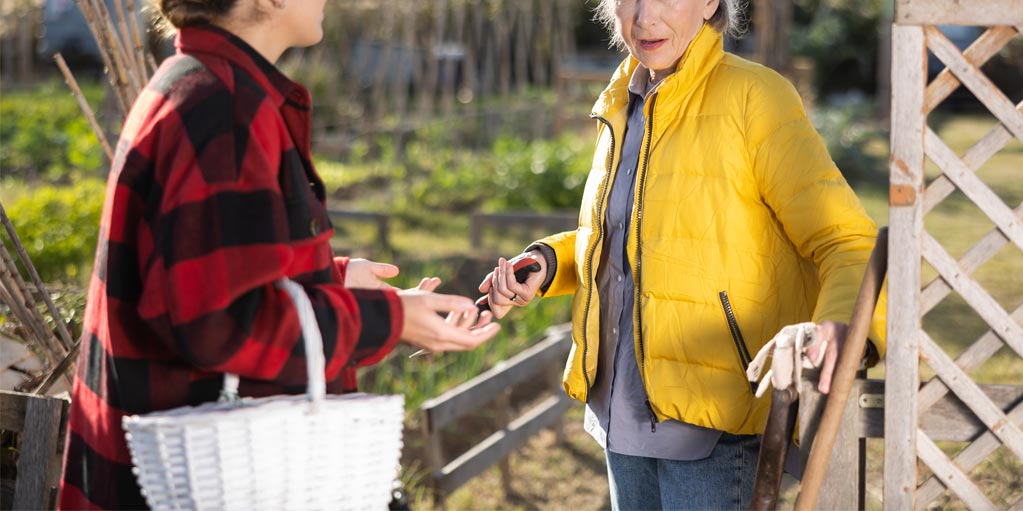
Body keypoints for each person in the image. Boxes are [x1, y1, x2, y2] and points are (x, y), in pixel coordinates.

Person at [58, 1, 501, 508]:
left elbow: (208, 270)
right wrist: (386, 319)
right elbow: (222, 320)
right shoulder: (223, 108)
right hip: (202, 483)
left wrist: (331, 279)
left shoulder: (194, 83)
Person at [479, 0, 886, 509]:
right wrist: (549, 263)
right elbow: (630, 235)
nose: (645, 17)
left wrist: (841, 324)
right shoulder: (622, 101)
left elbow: (846, 239)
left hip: (714, 423)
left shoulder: (754, 97)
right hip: (620, 409)